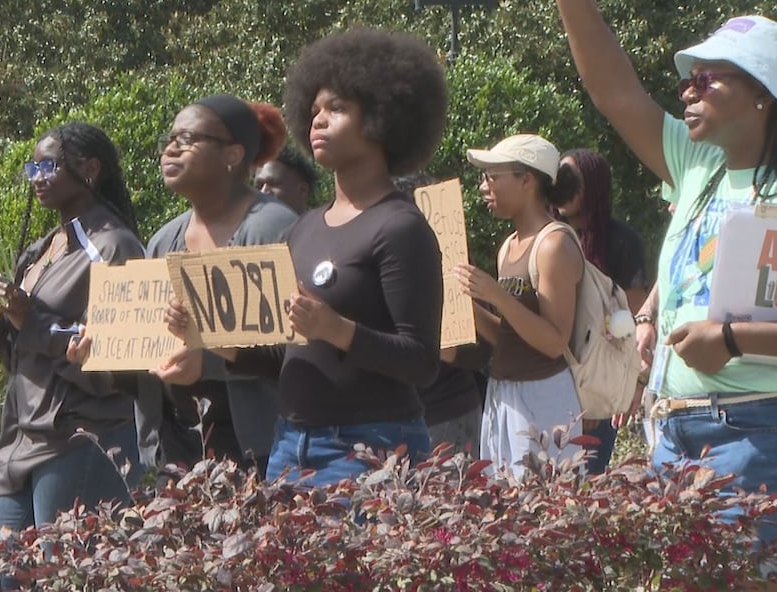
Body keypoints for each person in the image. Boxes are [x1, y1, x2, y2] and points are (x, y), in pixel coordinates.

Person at [160, 28, 447, 487]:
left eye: (336, 108)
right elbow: (285, 353)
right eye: (313, 110)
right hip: (290, 445)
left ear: (381, 118)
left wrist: (337, 329)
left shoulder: (401, 228)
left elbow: (421, 361)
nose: (318, 121)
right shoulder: (305, 226)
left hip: (370, 448)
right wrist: (211, 336)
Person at [551, 0, 777, 553]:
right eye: (688, 79)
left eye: (707, 78)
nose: (687, 91)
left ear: (761, 94)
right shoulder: (697, 162)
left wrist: (730, 339)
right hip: (671, 430)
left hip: (754, 432)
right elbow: (613, 90)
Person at [0, 123, 144, 534]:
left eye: (49, 166)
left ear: (90, 169)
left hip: (78, 438)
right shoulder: (42, 249)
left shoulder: (114, 248)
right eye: (32, 167)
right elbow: (24, 352)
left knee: (63, 572)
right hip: (18, 438)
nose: (37, 177)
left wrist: (29, 319)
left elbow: (116, 364)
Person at [136, 96, 294, 478]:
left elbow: (291, 348)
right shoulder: (163, 241)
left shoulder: (271, 229)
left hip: (257, 450)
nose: (170, 150)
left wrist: (206, 362)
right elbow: (148, 340)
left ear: (233, 154)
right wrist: (104, 351)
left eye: (187, 138)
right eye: (168, 139)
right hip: (176, 450)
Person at [457, 133, 585, 477]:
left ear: (526, 180)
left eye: (492, 177)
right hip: (503, 394)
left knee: (544, 512)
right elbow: (508, 335)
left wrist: (496, 296)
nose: (484, 188)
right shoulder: (509, 246)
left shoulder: (553, 244)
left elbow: (555, 340)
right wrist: (466, 302)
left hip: (542, 397)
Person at [555, 148, 649, 473]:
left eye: (572, 181)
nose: (563, 188)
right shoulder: (547, 238)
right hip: (546, 381)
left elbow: (631, 323)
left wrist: (620, 389)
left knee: (584, 489)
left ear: (593, 187)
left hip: (596, 385)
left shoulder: (622, 241)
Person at [393, 172, 488, 454]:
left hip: (445, 419)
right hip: (387, 420)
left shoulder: (454, 268)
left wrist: (452, 352)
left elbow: (483, 350)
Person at [254, 145, 317, 215]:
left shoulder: (320, 224)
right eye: (259, 186)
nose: (263, 191)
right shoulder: (246, 224)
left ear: (302, 190)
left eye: (273, 184)